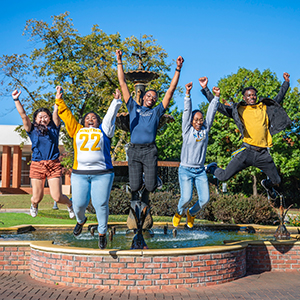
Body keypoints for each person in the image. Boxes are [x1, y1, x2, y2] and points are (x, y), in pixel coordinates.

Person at [116, 49, 184, 230]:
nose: (151, 98)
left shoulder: (156, 112)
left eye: (153, 97)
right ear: (143, 97)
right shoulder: (132, 107)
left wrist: (178, 69)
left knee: (152, 186)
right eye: (148, 96)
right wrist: (119, 61)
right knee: (135, 185)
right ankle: (138, 205)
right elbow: (122, 83)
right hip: (134, 150)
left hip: (149, 150)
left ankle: (153, 182)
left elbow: (171, 91)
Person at [200, 73, 291, 199]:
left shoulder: (263, 107)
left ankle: (266, 185)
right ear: (244, 98)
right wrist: (206, 89)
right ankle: (212, 168)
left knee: (276, 180)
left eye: (254, 95)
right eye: (249, 95)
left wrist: (286, 83)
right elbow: (219, 107)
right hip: (246, 151)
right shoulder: (239, 110)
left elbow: (278, 98)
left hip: (263, 154)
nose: (252, 97)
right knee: (224, 176)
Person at [55, 86, 122, 249]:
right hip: (80, 174)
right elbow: (67, 116)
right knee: (78, 205)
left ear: (98, 122)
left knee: (101, 204)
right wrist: (59, 100)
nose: (91, 119)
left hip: (102, 173)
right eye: (87, 118)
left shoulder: (104, 131)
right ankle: (81, 220)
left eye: (94, 118)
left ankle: (102, 233)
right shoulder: (77, 130)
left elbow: (109, 117)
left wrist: (116, 101)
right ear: (83, 121)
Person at [11, 90, 75, 218]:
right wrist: (16, 100)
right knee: (37, 197)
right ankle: (34, 205)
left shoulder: (54, 127)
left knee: (57, 197)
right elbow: (23, 115)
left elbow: (56, 112)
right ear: (35, 119)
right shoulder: (32, 129)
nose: (43, 118)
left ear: (49, 118)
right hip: (37, 165)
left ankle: (70, 205)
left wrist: (57, 99)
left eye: (45, 116)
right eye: (40, 117)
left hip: (53, 164)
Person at [172, 81, 220, 228]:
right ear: (191, 121)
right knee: (186, 197)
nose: (199, 122)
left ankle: (191, 213)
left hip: (200, 171)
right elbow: (187, 112)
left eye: (200, 119)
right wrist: (187, 94)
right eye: (196, 120)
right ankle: (179, 213)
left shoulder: (205, 131)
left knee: (205, 199)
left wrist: (216, 97)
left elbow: (211, 113)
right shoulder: (187, 131)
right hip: (185, 170)